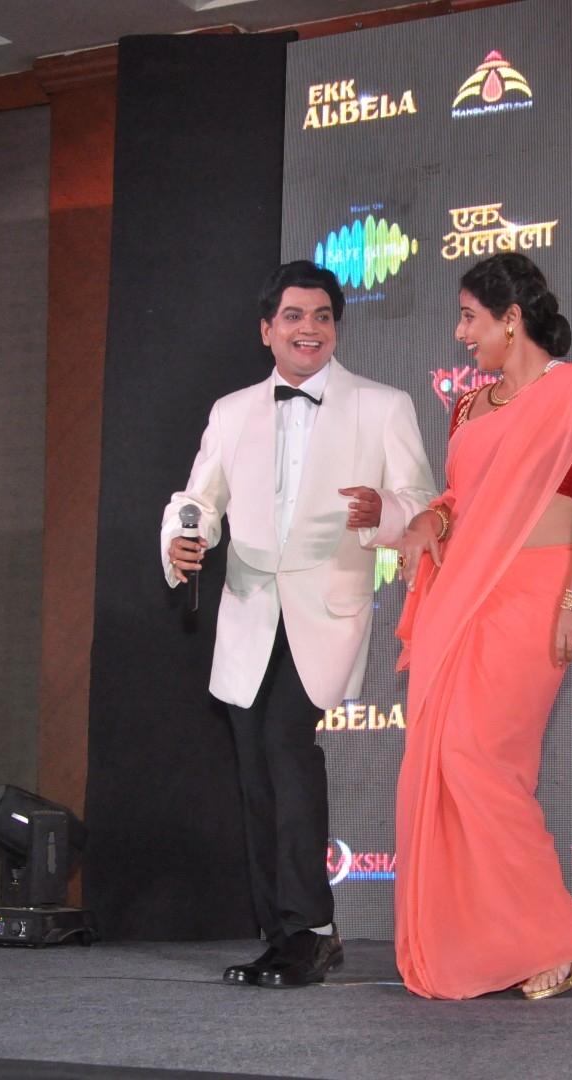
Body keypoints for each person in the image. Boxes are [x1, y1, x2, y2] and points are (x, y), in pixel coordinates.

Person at [162, 261, 436, 989]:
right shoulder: (231, 411)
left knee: (286, 745)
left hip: (328, 610)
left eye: (321, 316)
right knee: (256, 768)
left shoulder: (382, 405)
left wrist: (384, 512)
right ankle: (284, 932)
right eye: (293, 316)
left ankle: (311, 929)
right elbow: (200, 499)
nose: (308, 329)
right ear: (266, 330)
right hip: (249, 610)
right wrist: (184, 539)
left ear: (336, 328)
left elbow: (422, 502)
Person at [392, 252, 572, 1000]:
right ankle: (491, 943)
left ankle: (553, 941)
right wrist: (429, 520)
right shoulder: (467, 408)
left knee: (481, 760)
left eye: (470, 318)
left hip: (537, 592)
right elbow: (461, 500)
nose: (462, 334)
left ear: (511, 319)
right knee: (444, 762)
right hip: (461, 596)